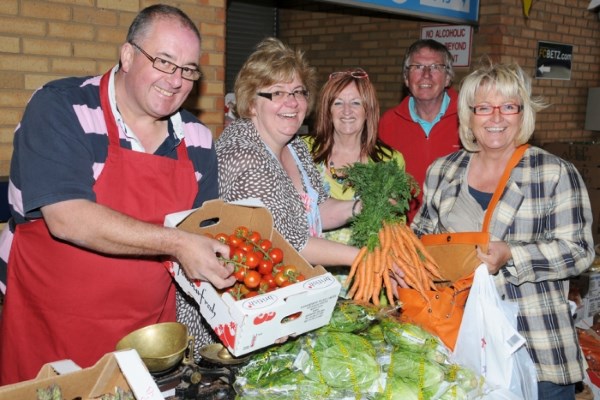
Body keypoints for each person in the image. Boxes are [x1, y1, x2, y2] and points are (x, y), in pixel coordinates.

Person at [0, 4, 236, 385]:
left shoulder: (198, 139)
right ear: (127, 55)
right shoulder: (62, 107)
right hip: (50, 330)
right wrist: (177, 243)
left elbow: (202, 232)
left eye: (188, 69)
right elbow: (68, 218)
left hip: (148, 341)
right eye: (164, 61)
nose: (175, 80)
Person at [410, 60, 595, 399]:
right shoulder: (442, 171)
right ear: (469, 115)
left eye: (508, 107)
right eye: (484, 108)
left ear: (523, 114)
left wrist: (512, 255)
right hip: (458, 343)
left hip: (536, 348)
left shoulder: (553, 173)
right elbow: (420, 236)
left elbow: (580, 252)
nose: (496, 118)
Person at [216, 37, 361, 267]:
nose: (292, 103)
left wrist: (358, 207)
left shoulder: (295, 146)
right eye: (278, 93)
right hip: (252, 291)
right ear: (252, 102)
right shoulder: (242, 154)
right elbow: (285, 243)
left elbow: (317, 209)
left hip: (293, 285)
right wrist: (366, 259)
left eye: (298, 92)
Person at [304, 67, 405, 244]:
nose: (347, 111)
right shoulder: (303, 150)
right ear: (328, 111)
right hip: (308, 267)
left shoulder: (389, 161)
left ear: (369, 110)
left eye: (356, 103)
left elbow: (394, 229)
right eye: (338, 103)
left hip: (368, 267)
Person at [379, 39, 460, 222]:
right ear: (406, 78)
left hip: (454, 234)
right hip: (403, 235)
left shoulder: (469, 120)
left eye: (435, 67)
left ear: (448, 77)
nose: (426, 75)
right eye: (417, 67)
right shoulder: (388, 124)